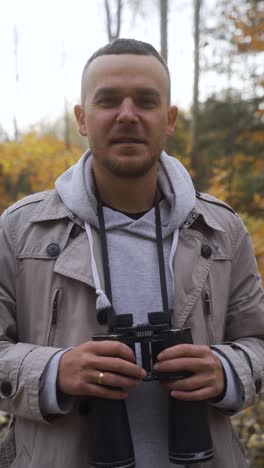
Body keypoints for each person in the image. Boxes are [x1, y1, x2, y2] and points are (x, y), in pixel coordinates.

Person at [0, 38, 263, 468]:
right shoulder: (19, 229)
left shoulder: (222, 229)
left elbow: (258, 340)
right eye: (108, 101)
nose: (127, 114)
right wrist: (53, 372)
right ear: (82, 119)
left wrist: (227, 370)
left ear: (169, 119)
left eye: (146, 101)